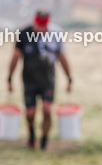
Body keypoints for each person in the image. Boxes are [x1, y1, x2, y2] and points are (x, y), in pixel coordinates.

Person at [7, 10, 72, 150]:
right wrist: (9, 78)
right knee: (30, 113)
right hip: (29, 78)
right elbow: (16, 56)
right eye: (39, 26)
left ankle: (44, 141)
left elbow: (62, 57)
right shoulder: (24, 34)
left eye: (44, 26)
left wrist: (69, 78)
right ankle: (31, 135)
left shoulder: (55, 34)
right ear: (34, 22)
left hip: (47, 78)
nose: (41, 29)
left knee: (47, 109)